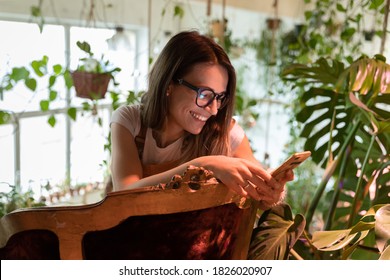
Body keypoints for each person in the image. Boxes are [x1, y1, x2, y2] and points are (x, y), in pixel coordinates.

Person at [110, 30, 294, 209]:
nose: (214, 110)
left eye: (220, 97)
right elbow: (125, 194)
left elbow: (260, 189)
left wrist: (273, 193)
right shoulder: (130, 121)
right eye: (205, 94)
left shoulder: (226, 132)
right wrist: (203, 165)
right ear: (169, 85)